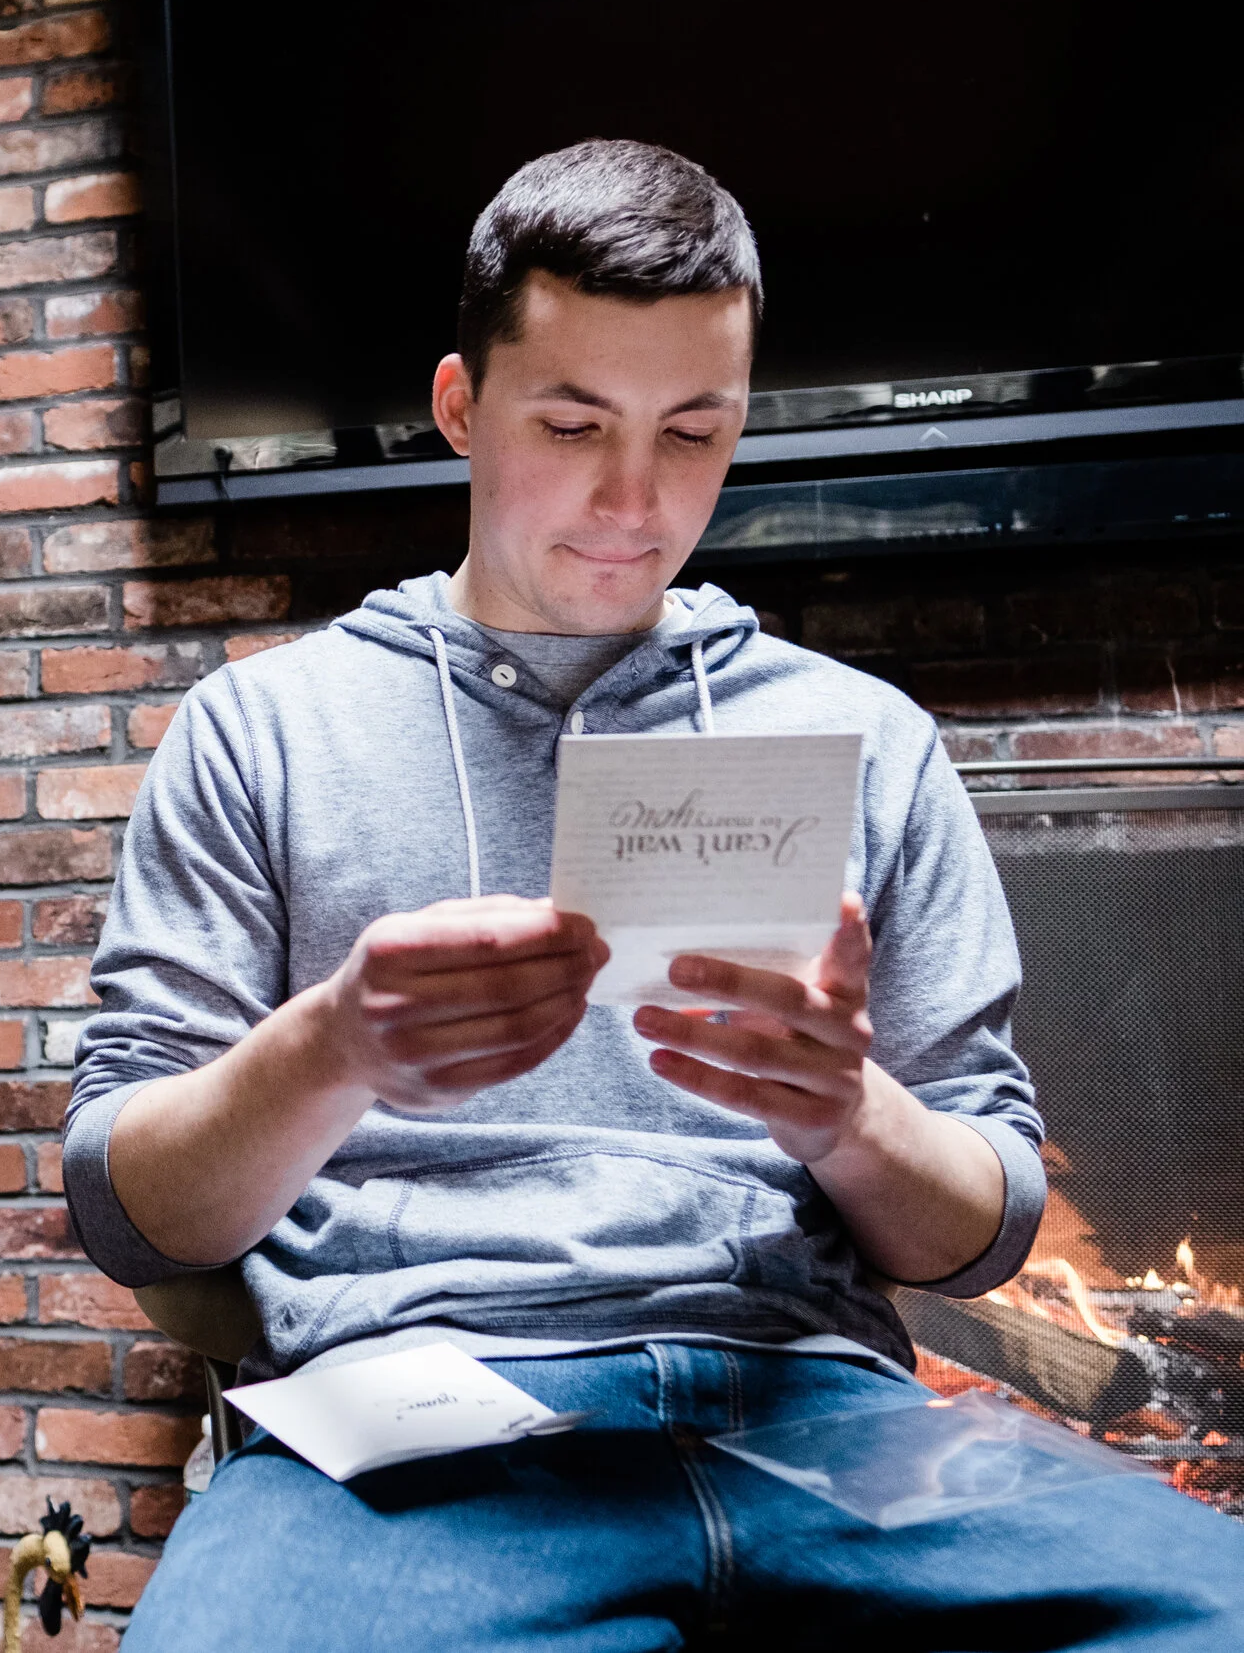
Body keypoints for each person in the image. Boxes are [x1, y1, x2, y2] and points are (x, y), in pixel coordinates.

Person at [66, 140, 1244, 1646]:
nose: (637, 499)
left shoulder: (867, 739)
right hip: (418, 1422)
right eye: (573, 424)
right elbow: (125, 1206)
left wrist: (847, 1115)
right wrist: (333, 1048)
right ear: (458, 408)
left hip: (813, 1407)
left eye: (696, 431)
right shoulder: (264, 731)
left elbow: (990, 1231)